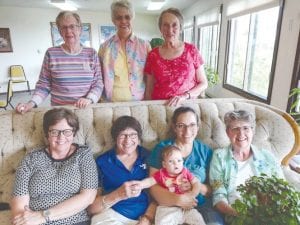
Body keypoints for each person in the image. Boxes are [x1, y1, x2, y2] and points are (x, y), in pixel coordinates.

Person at [11, 108, 98, 225]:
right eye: (54, 132)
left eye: (67, 131)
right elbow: (19, 203)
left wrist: (43, 216)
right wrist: (26, 220)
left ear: (74, 132)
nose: (61, 137)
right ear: (47, 134)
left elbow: (88, 197)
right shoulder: (31, 158)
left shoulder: (83, 154)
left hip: (75, 222)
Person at [148, 106, 224, 225]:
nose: (187, 131)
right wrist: (178, 200)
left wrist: (196, 186)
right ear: (174, 127)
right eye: (181, 125)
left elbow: (215, 188)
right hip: (170, 206)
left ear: (198, 127)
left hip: (201, 206)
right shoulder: (162, 149)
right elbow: (153, 187)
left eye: (192, 125)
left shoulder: (205, 152)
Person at [16, 11, 103, 113]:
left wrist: (89, 99)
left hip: (85, 110)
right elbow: (44, 85)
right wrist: (31, 103)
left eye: (72, 26)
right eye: (64, 27)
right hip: (60, 112)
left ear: (80, 29)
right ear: (60, 31)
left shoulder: (91, 53)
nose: (68, 31)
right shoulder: (51, 53)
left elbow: (98, 83)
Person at [209, 110, 284, 218]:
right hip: (235, 215)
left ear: (252, 131)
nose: (241, 133)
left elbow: (281, 187)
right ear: (227, 132)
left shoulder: (268, 157)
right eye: (235, 129)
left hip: (268, 214)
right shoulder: (219, 157)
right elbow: (218, 195)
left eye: (246, 128)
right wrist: (238, 214)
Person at [88, 116, 155, 225]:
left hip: (144, 216)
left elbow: (158, 194)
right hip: (112, 215)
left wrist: (147, 218)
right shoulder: (102, 161)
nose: (128, 140)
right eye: (123, 135)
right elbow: (91, 208)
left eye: (133, 135)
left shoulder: (148, 156)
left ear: (138, 138)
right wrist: (118, 195)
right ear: (115, 138)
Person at [144, 8, 208, 107]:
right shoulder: (153, 55)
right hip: (160, 108)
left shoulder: (191, 50)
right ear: (160, 28)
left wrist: (185, 96)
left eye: (174, 25)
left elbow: (203, 83)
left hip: (187, 107)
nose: (170, 30)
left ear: (180, 28)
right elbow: (149, 90)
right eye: (165, 25)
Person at [136, 145, 206, 225]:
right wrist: (140, 184)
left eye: (179, 160)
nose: (176, 164)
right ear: (164, 164)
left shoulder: (185, 172)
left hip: (187, 207)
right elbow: (150, 181)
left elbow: (196, 183)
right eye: (171, 161)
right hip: (168, 207)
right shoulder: (161, 174)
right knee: (163, 222)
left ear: (183, 162)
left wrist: (193, 194)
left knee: (198, 220)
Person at [99, 0, 151, 102]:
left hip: (138, 102)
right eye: (119, 17)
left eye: (127, 17)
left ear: (132, 18)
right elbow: (100, 77)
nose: (123, 21)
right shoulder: (104, 47)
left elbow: (149, 78)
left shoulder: (145, 46)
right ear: (113, 20)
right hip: (111, 103)